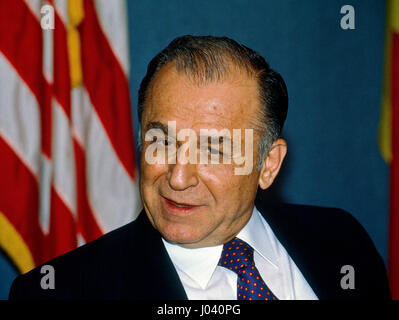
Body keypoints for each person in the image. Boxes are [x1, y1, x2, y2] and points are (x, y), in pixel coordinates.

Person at [9, 35, 390, 300]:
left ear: (268, 164)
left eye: (213, 149)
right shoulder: (61, 293)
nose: (177, 177)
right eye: (161, 141)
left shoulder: (342, 241)